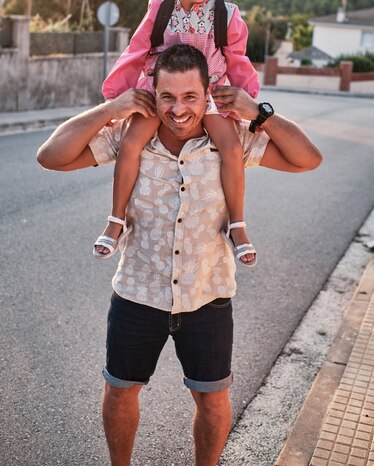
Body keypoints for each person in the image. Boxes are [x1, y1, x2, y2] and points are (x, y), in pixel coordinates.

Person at [37, 44, 322, 466]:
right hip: (138, 293)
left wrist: (257, 112)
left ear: (208, 94)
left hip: (208, 297)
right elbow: (51, 157)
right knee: (120, 390)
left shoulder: (232, 144)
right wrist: (110, 109)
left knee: (212, 400)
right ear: (153, 93)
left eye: (190, 96)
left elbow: (308, 159)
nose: (178, 108)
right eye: (167, 96)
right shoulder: (127, 138)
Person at [93, 0, 261, 267]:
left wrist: (247, 100)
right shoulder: (160, 10)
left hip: (210, 91)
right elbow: (137, 51)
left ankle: (238, 225)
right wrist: (115, 99)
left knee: (231, 147)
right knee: (130, 144)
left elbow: (237, 58)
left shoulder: (225, 15)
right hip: (161, 92)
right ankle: (116, 220)